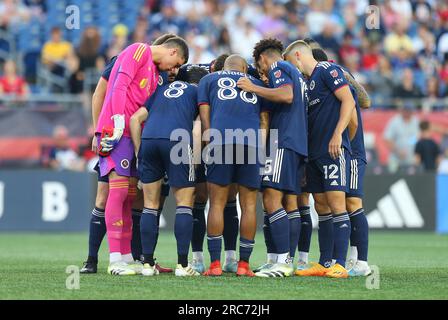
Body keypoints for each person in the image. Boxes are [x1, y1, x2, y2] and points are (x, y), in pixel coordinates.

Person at [79, 34, 179, 274]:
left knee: (129, 194)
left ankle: (125, 256)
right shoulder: (135, 52)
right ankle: (106, 260)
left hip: (133, 136)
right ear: (171, 51)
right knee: (112, 193)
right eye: (176, 64)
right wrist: (105, 127)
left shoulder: (157, 75)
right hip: (116, 131)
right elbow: (109, 90)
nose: (174, 70)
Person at [283, 40, 355, 278]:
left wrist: (337, 135)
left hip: (332, 150)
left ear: (296, 56)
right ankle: (325, 263)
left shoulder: (326, 69)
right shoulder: (308, 83)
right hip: (314, 154)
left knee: (337, 205)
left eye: (288, 63)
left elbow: (349, 100)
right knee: (322, 207)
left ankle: (340, 264)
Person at [237, 38, 308, 277]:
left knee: (270, 198)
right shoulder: (297, 74)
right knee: (290, 202)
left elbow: (286, 95)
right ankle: (284, 259)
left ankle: (282, 262)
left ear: (263, 58)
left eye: (260, 67)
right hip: (298, 142)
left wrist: (253, 87)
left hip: (283, 140)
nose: (262, 72)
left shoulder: (278, 66)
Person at [130, 66, 208, 277]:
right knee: (184, 203)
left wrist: (139, 154)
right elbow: (198, 127)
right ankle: (182, 265)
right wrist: (196, 160)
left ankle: (147, 264)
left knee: (150, 205)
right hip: (178, 140)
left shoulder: (160, 90)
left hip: (149, 141)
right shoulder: (197, 92)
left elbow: (135, 120)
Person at [199, 54, 269, 277]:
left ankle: (215, 265)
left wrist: (209, 136)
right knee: (248, 205)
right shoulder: (256, 84)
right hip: (250, 143)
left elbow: (204, 113)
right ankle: (243, 265)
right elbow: (264, 121)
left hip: (220, 141)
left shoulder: (208, 80)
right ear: (244, 69)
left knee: (217, 204)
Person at [383, 106, 419, 173]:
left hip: (411, 159)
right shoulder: (395, 121)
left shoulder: (416, 121)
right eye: (406, 111)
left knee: (412, 180)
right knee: (393, 178)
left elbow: (418, 137)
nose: (408, 113)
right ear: (402, 111)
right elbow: (387, 139)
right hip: (396, 158)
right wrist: (398, 151)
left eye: (409, 111)